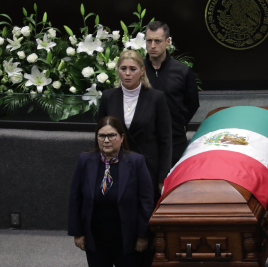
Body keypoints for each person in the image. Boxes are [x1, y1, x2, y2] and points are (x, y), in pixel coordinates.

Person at [97, 50, 172, 267]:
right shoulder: (108, 96)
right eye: (123, 69)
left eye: (132, 69)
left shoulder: (156, 97)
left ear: (142, 71)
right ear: (118, 70)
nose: (128, 73)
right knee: (119, 213)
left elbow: (165, 140)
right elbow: (100, 134)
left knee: (144, 217)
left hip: (147, 169)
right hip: (116, 167)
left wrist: (162, 177)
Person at [68, 116, 153, 266]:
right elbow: (76, 198)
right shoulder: (85, 160)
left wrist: (142, 235)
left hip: (127, 238)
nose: (106, 140)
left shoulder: (136, 162)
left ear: (121, 137)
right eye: (101, 135)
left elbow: (146, 202)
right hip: (96, 238)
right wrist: (78, 232)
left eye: (111, 135)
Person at [144, 21, 200, 166]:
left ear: (168, 41)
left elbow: (192, 103)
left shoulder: (182, 71)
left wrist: (179, 123)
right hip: (144, 140)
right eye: (149, 41)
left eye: (157, 41)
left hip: (174, 139)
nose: (153, 45)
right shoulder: (138, 70)